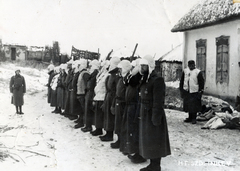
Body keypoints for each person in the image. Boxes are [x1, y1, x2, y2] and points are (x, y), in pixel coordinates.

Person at [138, 55, 171, 171]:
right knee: (149, 139)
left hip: (153, 113)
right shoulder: (145, 78)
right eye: (141, 66)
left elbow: (158, 100)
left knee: (155, 139)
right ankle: (152, 164)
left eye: (144, 66)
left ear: (150, 66)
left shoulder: (157, 80)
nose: (141, 68)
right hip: (145, 113)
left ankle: (156, 166)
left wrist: (156, 117)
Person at [100, 57, 120, 142]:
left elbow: (115, 90)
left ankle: (110, 134)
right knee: (107, 116)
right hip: (108, 97)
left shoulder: (116, 76)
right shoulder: (111, 75)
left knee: (111, 117)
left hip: (112, 98)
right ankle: (107, 132)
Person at [179, 60, 205, 124]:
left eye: (192, 65)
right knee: (188, 105)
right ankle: (190, 117)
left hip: (195, 91)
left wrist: (201, 90)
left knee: (194, 106)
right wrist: (181, 89)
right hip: (187, 91)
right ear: (188, 65)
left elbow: (201, 82)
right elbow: (182, 81)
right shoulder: (185, 71)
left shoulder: (198, 72)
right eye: (190, 65)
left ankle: (194, 118)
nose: (191, 66)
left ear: (194, 65)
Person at [91, 60, 110, 136]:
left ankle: (100, 129)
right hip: (98, 96)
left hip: (102, 96)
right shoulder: (101, 74)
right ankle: (98, 128)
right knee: (97, 115)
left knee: (101, 115)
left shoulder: (107, 75)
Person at [81, 59, 100, 132]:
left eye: (91, 66)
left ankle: (88, 126)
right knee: (87, 109)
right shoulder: (93, 73)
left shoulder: (95, 73)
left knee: (88, 110)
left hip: (91, 92)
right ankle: (87, 125)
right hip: (89, 92)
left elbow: (91, 83)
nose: (90, 67)